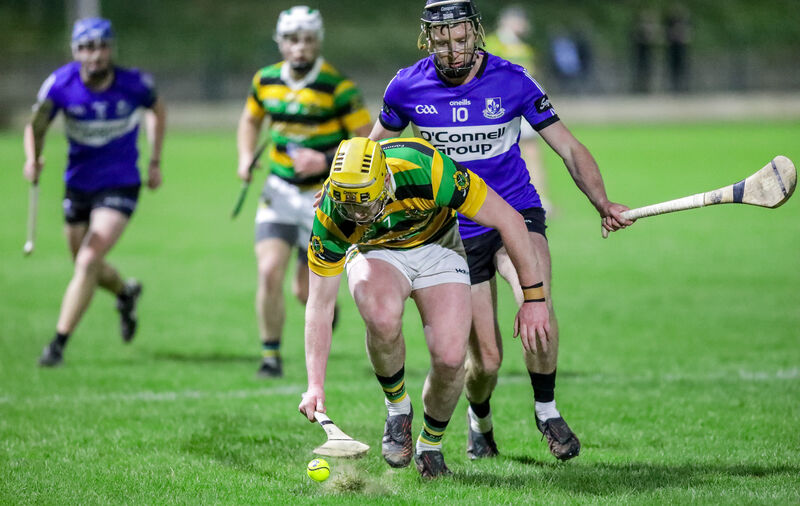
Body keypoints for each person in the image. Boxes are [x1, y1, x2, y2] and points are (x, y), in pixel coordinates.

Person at [369, 0, 632, 462]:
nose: (454, 49)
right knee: (485, 360)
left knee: (540, 309)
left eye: (462, 37)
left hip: (516, 213)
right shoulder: (406, 86)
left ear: (476, 33)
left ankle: (547, 411)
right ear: (427, 40)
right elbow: (369, 152)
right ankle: (480, 421)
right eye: (443, 40)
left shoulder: (513, 79)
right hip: (452, 231)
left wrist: (602, 202)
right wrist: (341, 191)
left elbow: (568, 147)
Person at [298, 137, 550, 478]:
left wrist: (533, 298)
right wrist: (315, 384)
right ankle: (398, 409)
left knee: (450, 359)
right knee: (381, 315)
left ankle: (430, 445)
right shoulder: (332, 214)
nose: (358, 215)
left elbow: (509, 220)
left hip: (438, 245)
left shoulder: (429, 169)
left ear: (386, 180)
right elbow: (320, 305)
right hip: (377, 252)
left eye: (365, 205)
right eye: (349, 207)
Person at [236, 6, 372, 378]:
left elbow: (366, 142)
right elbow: (250, 119)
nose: (300, 47)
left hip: (320, 198)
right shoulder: (264, 80)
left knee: (302, 290)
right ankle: (270, 355)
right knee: (267, 271)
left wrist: (326, 158)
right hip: (278, 190)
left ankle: (326, 309)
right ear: (280, 42)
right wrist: (246, 156)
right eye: (292, 40)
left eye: (308, 40)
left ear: (318, 42)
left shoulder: (338, 86)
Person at [24, 17, 165, 367]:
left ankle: (57, 345)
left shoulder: (134, 84)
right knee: (86, 264)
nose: (95, 55)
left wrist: (155, 160)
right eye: (86, 47)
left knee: (87, 260)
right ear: (75, 51)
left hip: (120, 183)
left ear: (111, 48)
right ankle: (125, 293)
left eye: (101, 46)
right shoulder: (60, 84)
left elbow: (157, 109)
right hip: (79, 184)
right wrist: (33, 158)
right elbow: (36, 124)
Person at [483, 5, 552, 213]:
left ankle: (539, 197)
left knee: (530, 151)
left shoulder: (523, 48)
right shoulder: (494, 44)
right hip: (499, 109)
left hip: (519, 107)